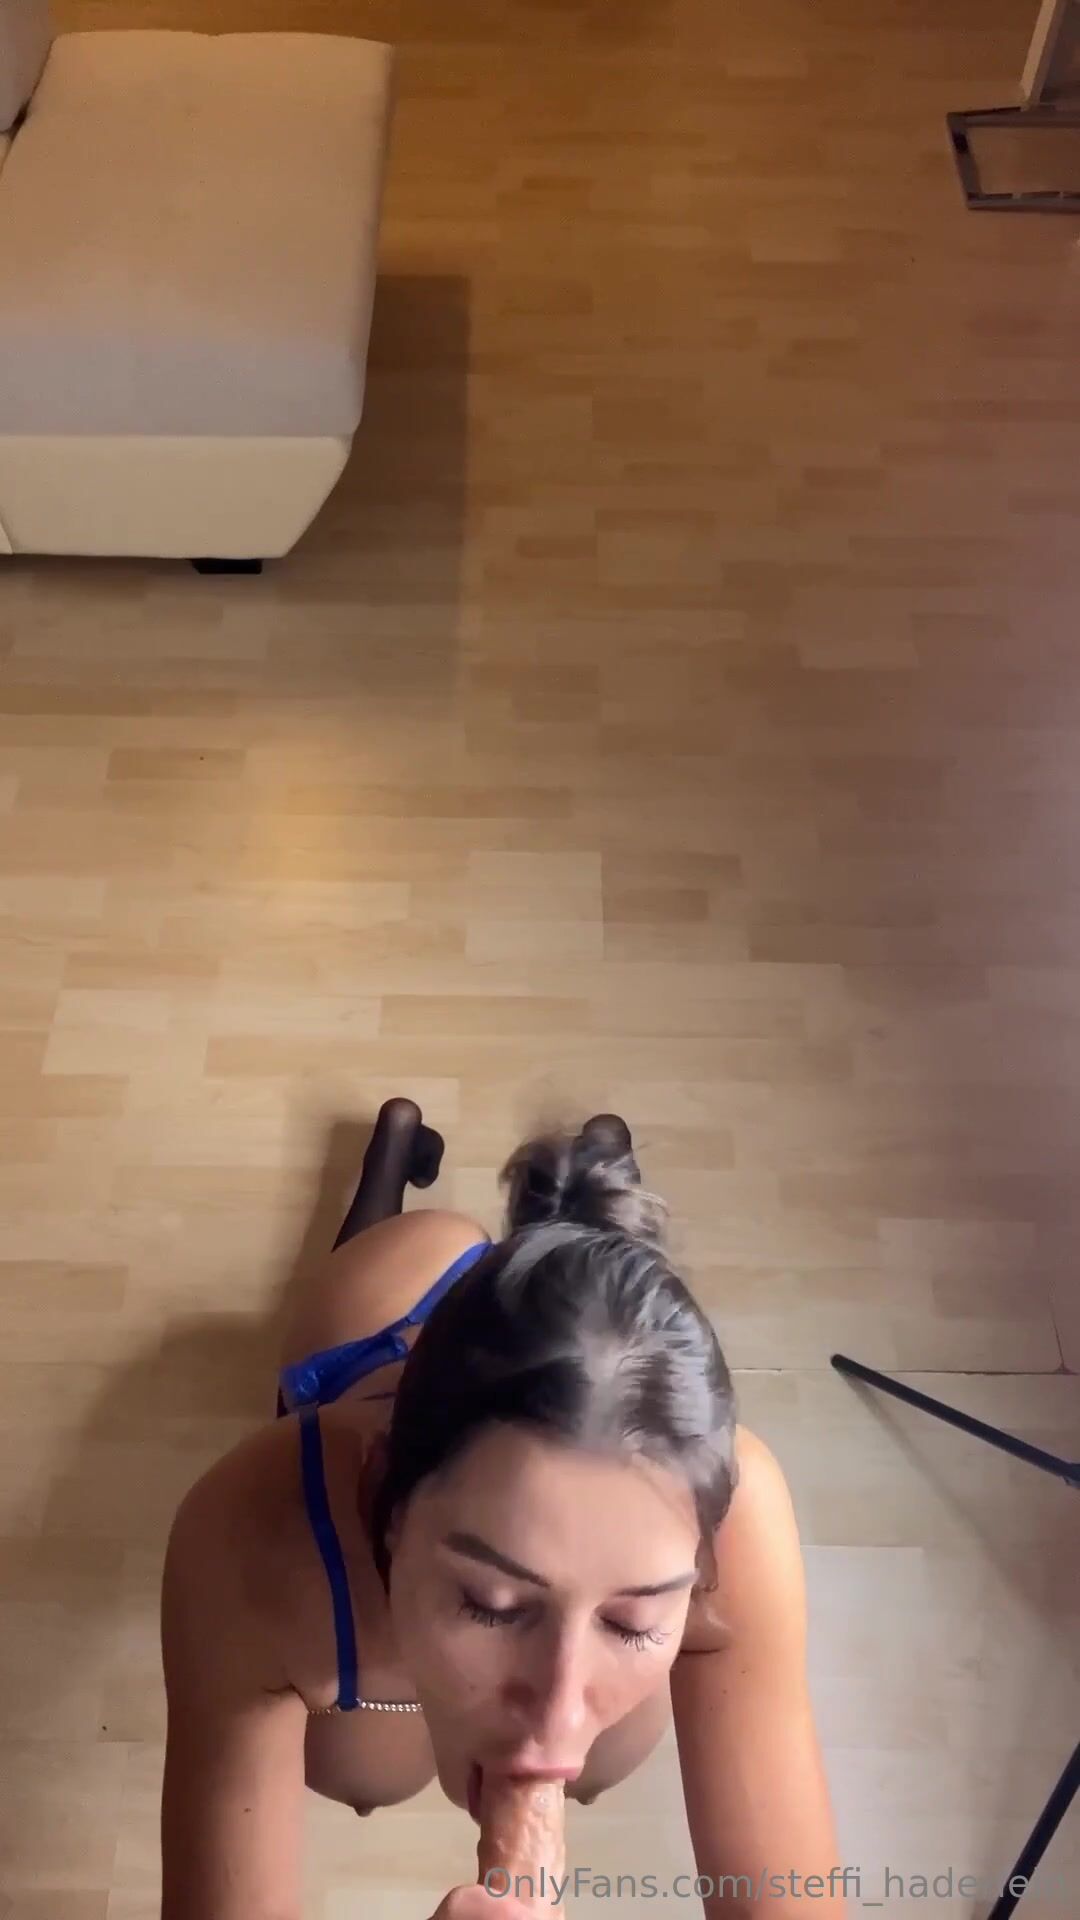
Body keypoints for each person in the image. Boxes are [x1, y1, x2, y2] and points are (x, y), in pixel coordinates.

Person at [160, 1100, 844, 1920]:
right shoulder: (249, 1523)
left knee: (601, 1761)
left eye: (631, 1623)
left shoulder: (740, 1514)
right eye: (489, 1604)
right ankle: (392, 1157)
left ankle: (594, 1208)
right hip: (393, 1311)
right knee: (360, 1775)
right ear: (383, 1501)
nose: (557, 1715)